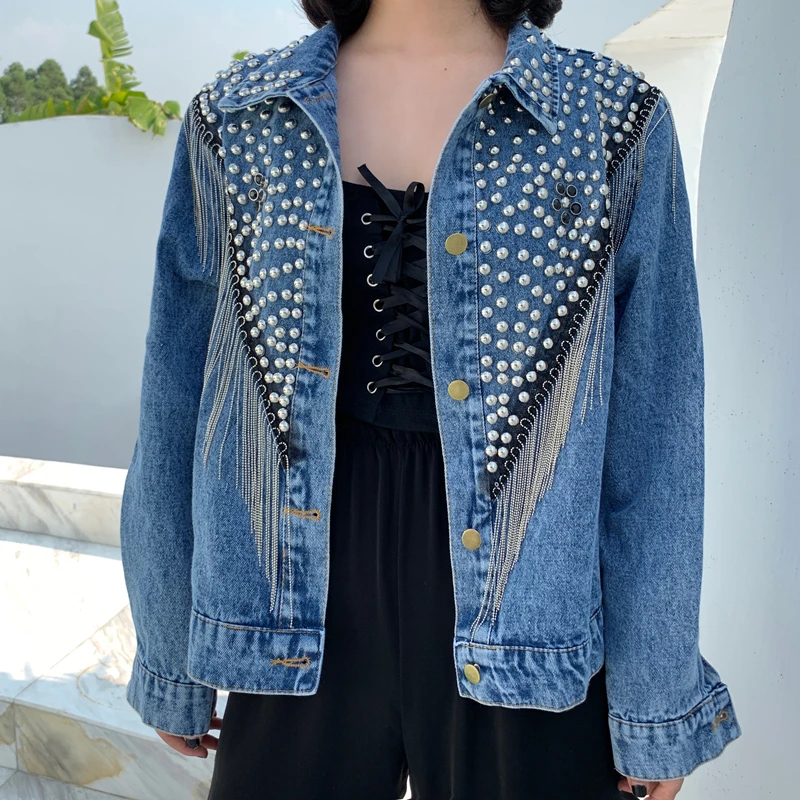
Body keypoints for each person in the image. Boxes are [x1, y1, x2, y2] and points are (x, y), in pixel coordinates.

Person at [119, 1, 742, 798]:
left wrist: (655, 701)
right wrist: (170, 651)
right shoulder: (241, 118)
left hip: (531, 610)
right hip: (291, 605)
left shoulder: (609, 123)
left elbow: (654, 438)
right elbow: (176, 399)